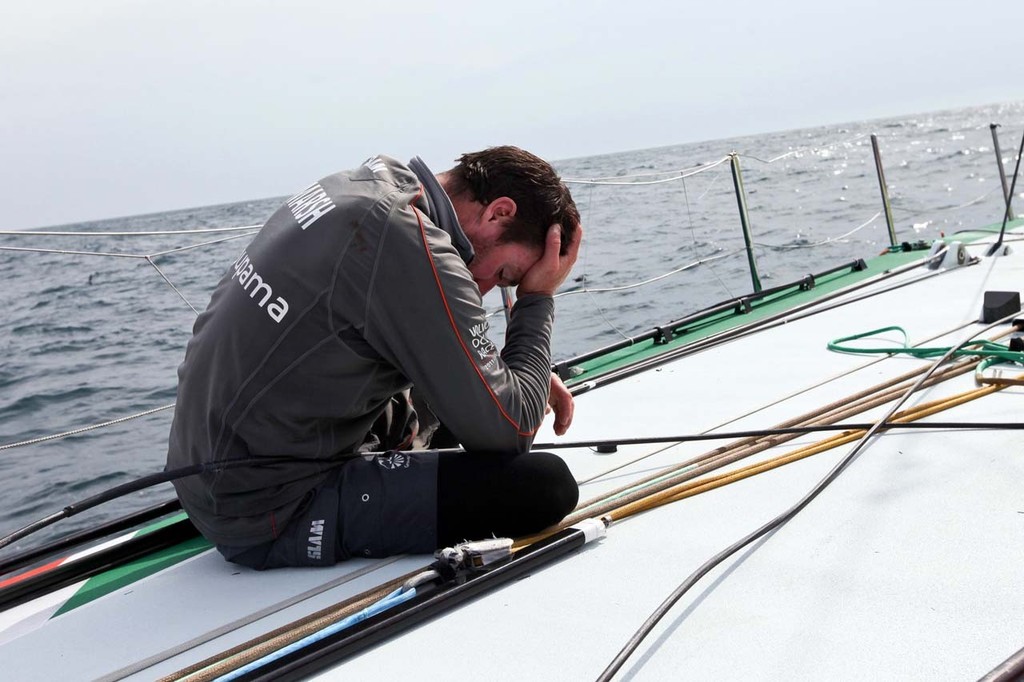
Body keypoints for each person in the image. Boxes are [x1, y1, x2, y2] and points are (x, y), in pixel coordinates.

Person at [166, 146, 583, 569]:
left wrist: (519, 376)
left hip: (206, 477)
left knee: (458, 402)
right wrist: (537, 299)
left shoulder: (363, 186)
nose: (489, 287)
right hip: (267, 510)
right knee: (544, 486)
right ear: (498, 213)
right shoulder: (411, 244)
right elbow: (512, 431)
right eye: (507, 275)